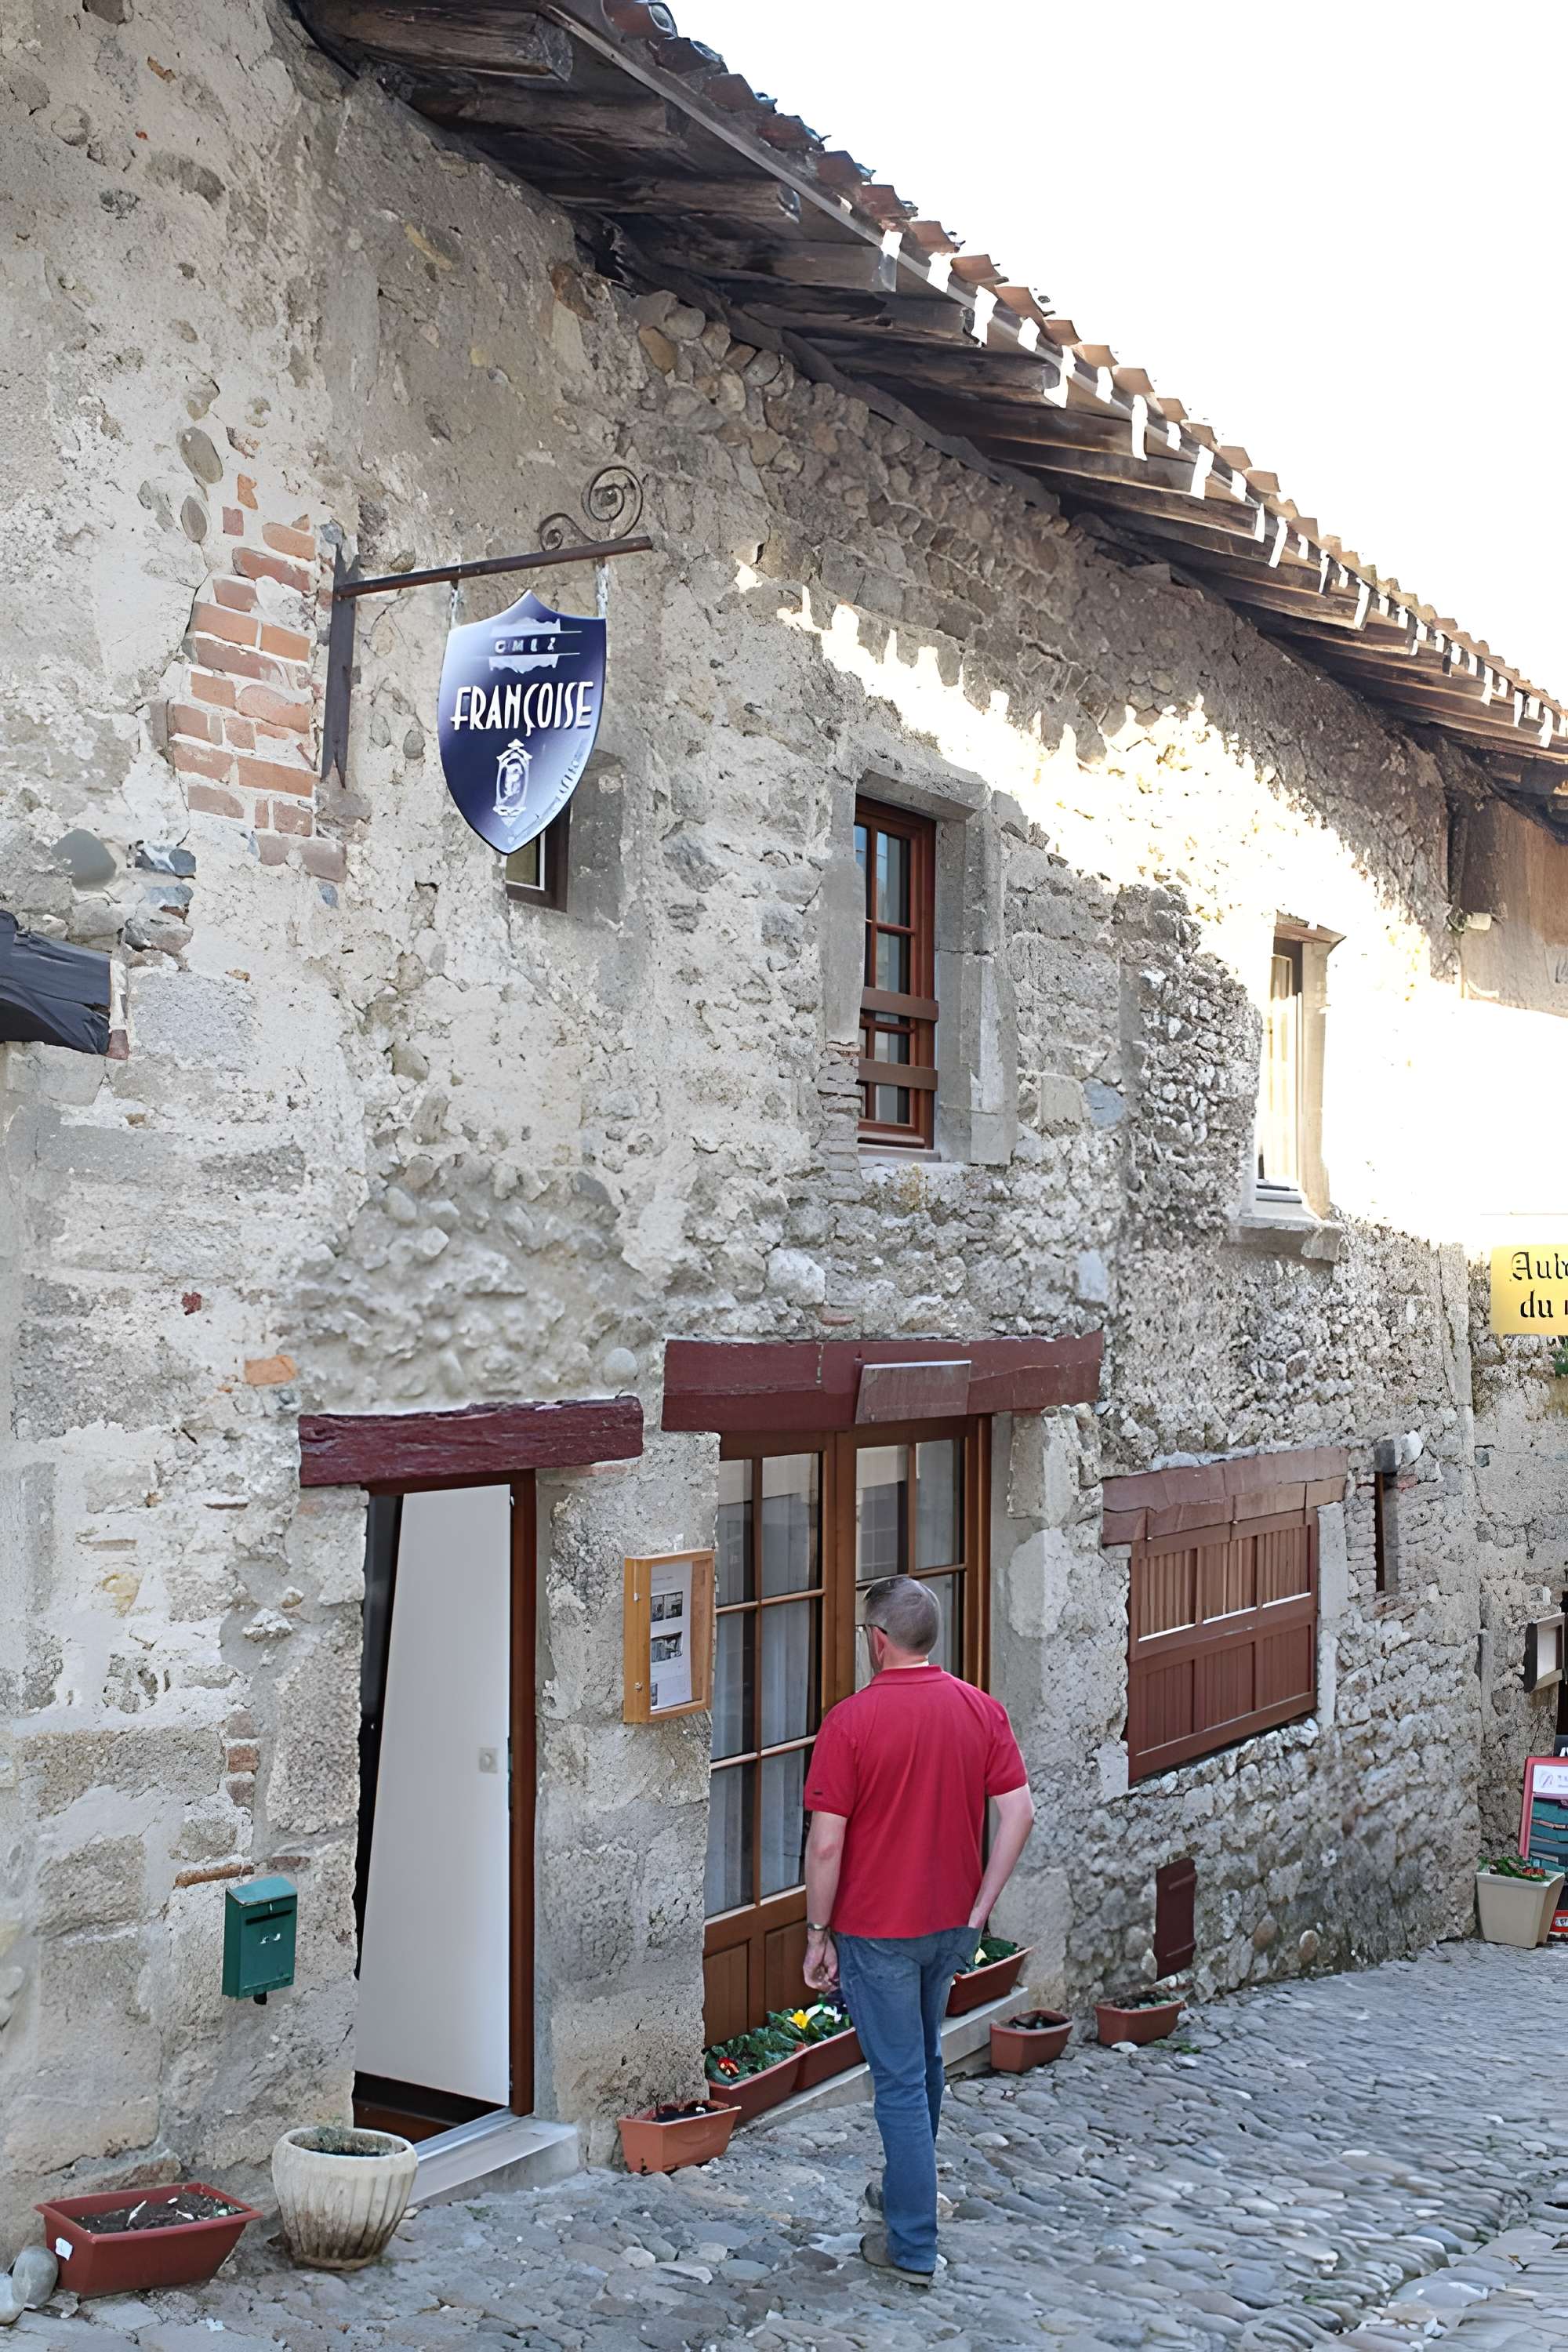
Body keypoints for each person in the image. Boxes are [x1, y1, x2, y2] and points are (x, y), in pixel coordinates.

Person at [800, 1574, 1035, 2287]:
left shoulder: (851, 1722)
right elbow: (1019, 1815)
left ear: (876, 1641)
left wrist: (817, 1933)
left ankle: (911, 2246)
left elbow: (826, 1845)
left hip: (877, 1931)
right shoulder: (980, 1709)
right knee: (925, 2060)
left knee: (899, 2081)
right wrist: (978, 1910)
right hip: (948, 1926)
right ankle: (906, 2191)